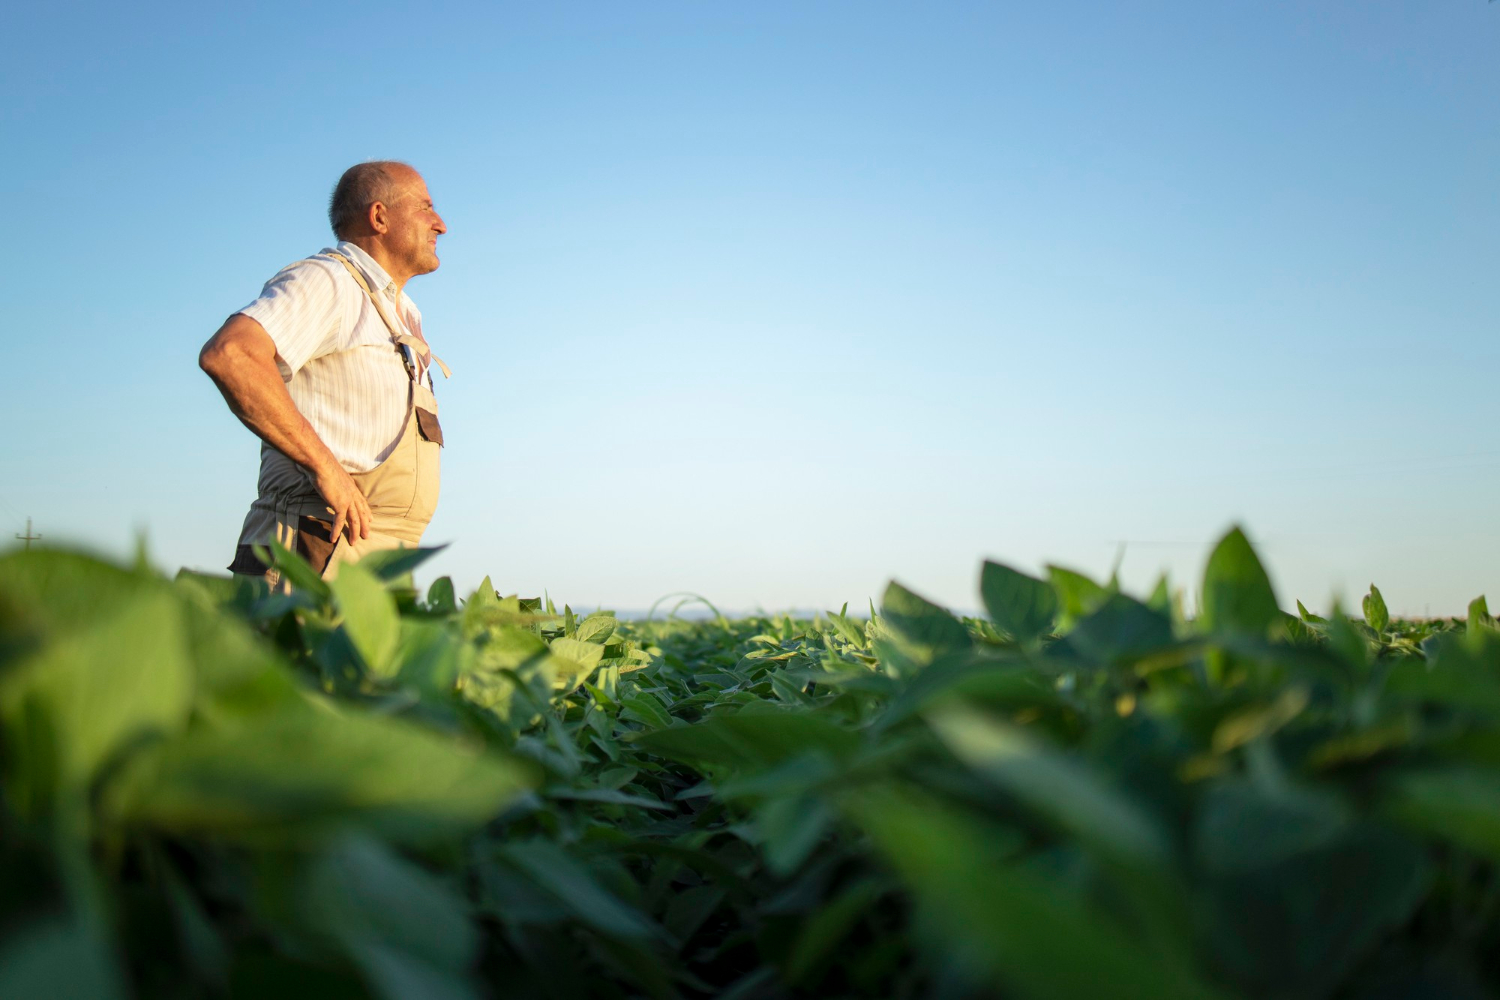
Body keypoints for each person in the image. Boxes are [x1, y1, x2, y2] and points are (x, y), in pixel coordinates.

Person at [200, 161, 450, 580]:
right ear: (379, 217)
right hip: (313, 549)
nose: (440, 224)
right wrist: (325, 468)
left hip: (375, 562)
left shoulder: (402, 311)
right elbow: (231, 355)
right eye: (425, 207)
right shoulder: (331, 280)